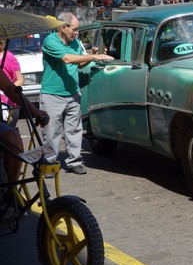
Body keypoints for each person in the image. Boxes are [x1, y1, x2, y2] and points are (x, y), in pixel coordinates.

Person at [40, 12, 113, 175]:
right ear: (63, 27)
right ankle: (49, 163)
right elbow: (67, 59)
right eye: (74, 29)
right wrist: (95, 55)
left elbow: (78, 64)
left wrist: (90, 57)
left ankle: (74, 161)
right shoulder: (51, 41)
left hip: (73, 93)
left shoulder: (75, 42)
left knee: (74, 129)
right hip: (52, 94)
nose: (77, 33)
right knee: (52, 131)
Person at [0, 39, 24, 127]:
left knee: (8, 132)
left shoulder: (9, 57)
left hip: (8, 103)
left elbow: (20, 79)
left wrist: (8, 90)